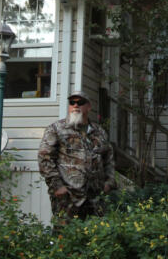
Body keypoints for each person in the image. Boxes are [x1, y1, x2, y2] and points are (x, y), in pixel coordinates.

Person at [38, 91, 115, 220]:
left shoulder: (99, 132)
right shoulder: (56, 129)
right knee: (65, 231)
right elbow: (45, 158)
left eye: (80, 102)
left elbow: (109, 159)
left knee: (95, 231)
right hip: (68, 197)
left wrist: (109, 183)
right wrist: (57, 186)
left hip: (95, 197)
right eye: (72, 102)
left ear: (88, 107)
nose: (75, 105)